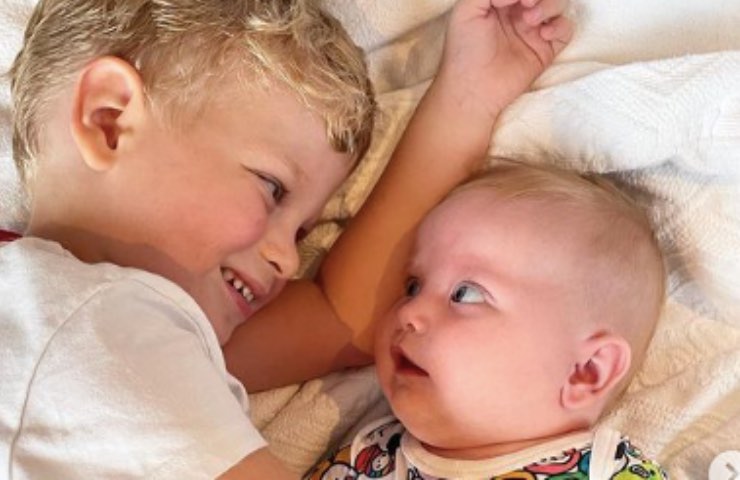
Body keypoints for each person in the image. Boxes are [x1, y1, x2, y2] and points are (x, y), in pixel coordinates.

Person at [0, 0, 571, 478]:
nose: (287, 256)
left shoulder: (76, 318)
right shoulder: (101, 320)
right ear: (109, 119)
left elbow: (340, 316)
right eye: (272, 189)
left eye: (302, 230)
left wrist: (468, 96)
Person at [305, 162, 669, 480]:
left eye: (466, 294)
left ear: (586, 371)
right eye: (413, 286)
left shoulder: (608, 472)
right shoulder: (367, 459)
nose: (407, 312)